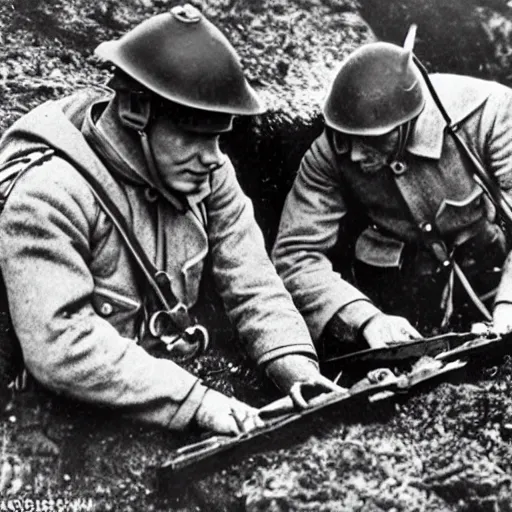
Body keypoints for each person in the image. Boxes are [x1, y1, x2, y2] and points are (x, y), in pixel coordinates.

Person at [0, 5, 337, 436]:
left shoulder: (205, 172)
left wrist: (297, 370)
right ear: (137, 113)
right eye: (195, 135)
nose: (214, 157)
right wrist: (197, 403)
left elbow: (252, 280)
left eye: (219, 137)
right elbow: (62, 345)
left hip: (171, 388)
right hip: (65, 420)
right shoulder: (49, 194)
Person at [272, 36, 512, 356]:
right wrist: (366, 320)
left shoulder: (490, 112)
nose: (355, 155)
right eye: (347, 138)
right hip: (401, 290)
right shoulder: (328, 154)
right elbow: (295, 255)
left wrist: (508, 305)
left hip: (490, 271)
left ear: (407, 123)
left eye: (371, 139)